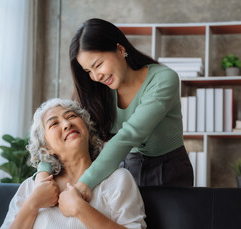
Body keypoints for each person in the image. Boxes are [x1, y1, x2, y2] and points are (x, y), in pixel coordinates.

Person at [36, 18, 193, 200]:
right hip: (124, 167)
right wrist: (43, 174)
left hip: (169, 169)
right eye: (88, 71)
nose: (96, 76)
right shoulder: (97, 92)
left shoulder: (163, 79)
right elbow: (59, 137)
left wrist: (85, 183)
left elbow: (129, 135)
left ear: (120, 49)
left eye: (98, 65)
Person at [0, 98, 146, 229]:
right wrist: (33, 203)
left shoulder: (117, 179)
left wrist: (80, 208)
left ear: (87, 128)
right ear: (47, 148)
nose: (67, 124)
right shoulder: (32, 186)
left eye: (71, 116)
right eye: (54, 124)